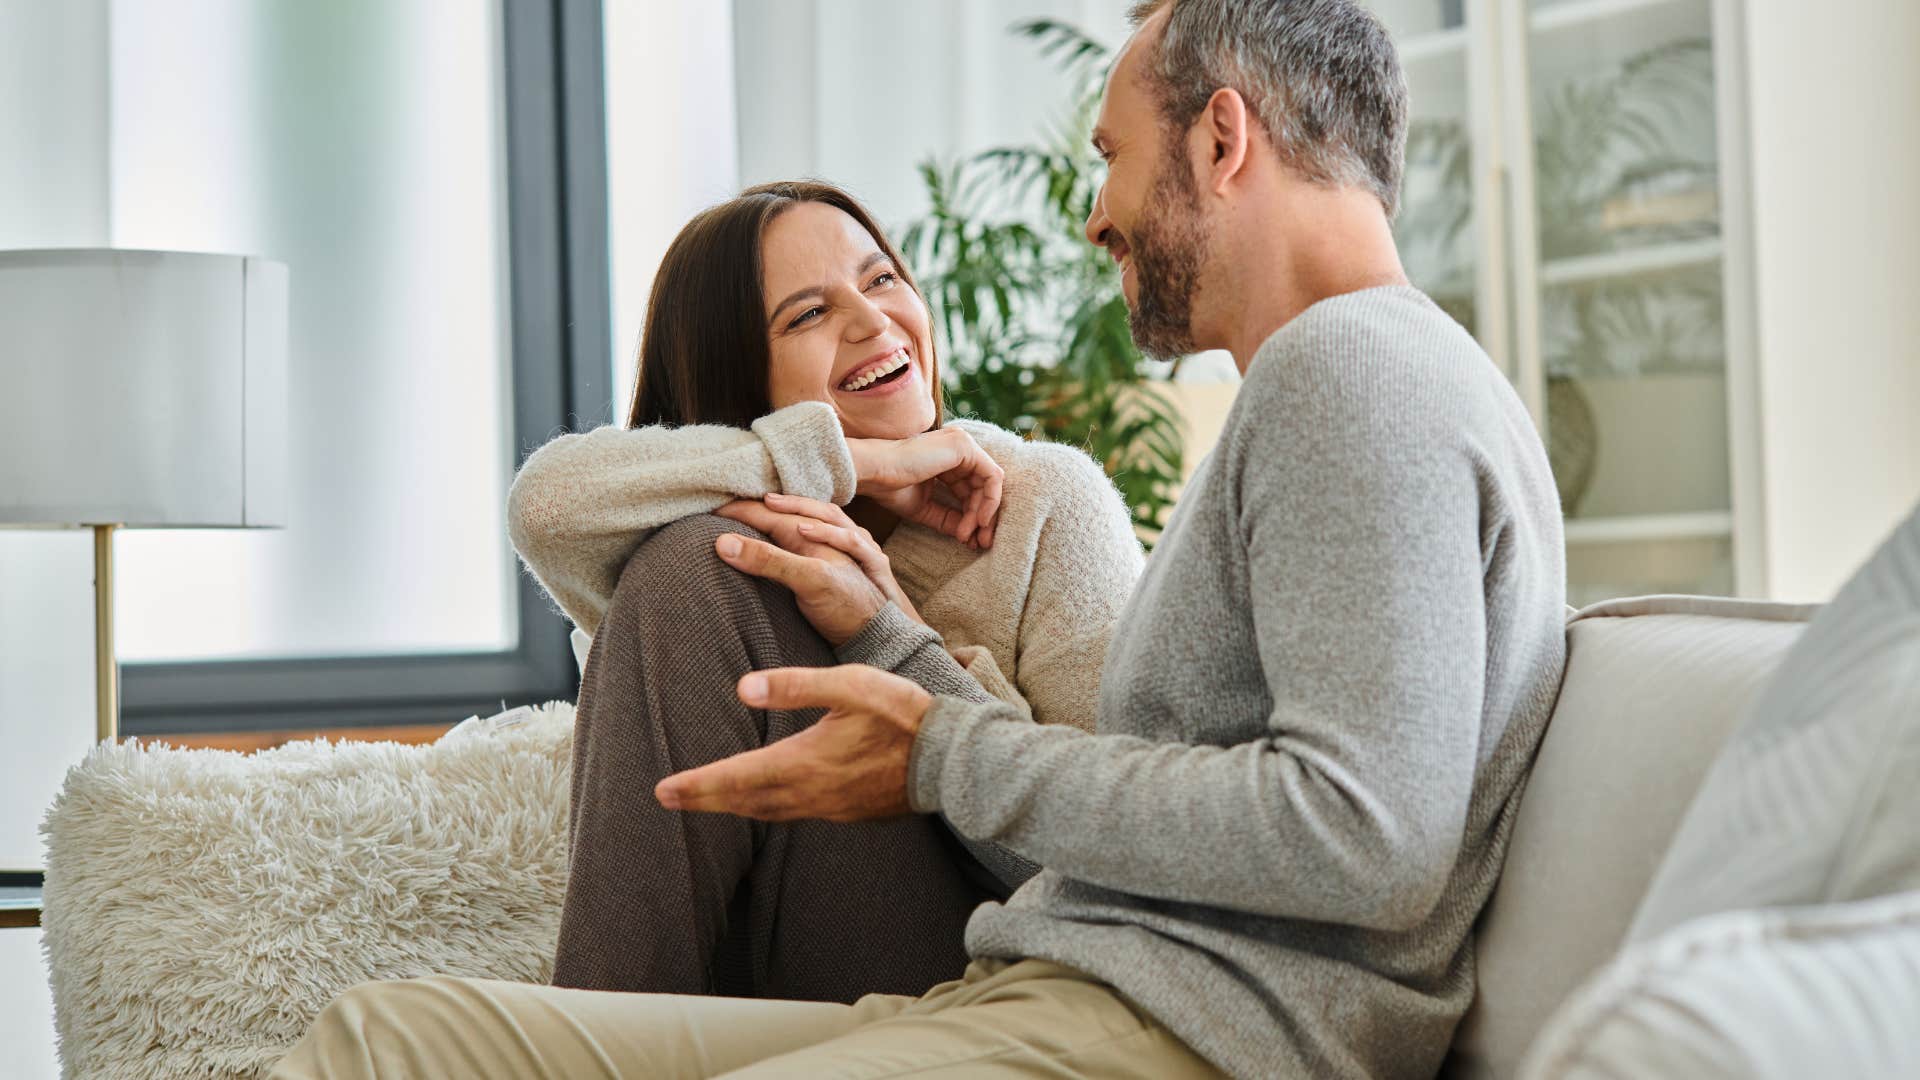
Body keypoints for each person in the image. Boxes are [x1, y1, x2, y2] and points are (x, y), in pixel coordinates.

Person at [271, 1, 1569, 1077]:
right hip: (1054, 989)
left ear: (1223, 139)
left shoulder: (1354, 374)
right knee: (384, 1039)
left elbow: (1362, 838)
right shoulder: (1346, 382)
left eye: (1111, 157)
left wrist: (938, 748)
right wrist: (896, 647)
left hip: (1168, 1031)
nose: (1096, 218)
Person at [504, 179, 1145, 1002]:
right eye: (807, 314)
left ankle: (588, 1045)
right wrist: (855, 462)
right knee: (702, 558)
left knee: (705, 561)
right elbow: (545, 504)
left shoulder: (1045, 501)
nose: (874, 319)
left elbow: (1116, 867)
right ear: (738, 379)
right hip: (745, 977)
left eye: (881, 279)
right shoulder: (698, 526)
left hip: (981, 977)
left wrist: (889, 633)